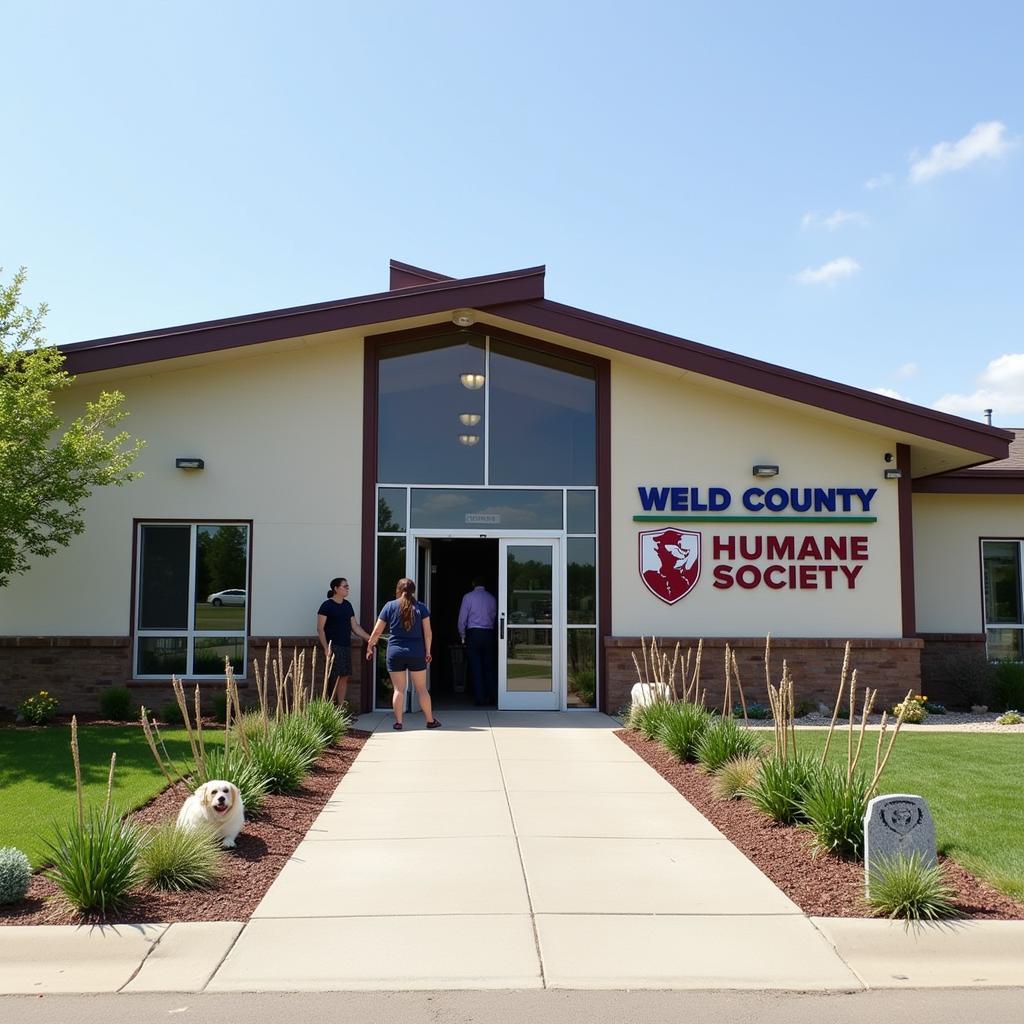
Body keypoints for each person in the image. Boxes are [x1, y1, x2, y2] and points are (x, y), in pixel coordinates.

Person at [365, 577, 440, 731]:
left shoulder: (389, 606)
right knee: (421, 688)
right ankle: (430, 721)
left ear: (398, 590)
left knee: (399, 689)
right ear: (414, 591)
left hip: (395, 653)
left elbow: (377, 630)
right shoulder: (421, 608)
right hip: (416, 652)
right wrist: (428, 651)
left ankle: (399, 722)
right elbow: (428, 633)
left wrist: (370, 646)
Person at [317, 577, 372, 709]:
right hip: (333, 647)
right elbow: (320, 628)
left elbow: (355, 626)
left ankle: (340, 709)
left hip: (345, 646)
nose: (347, 588)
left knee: (344, 677)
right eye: (344, 586)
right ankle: (330, 709)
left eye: (348, 586)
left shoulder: (347, 605)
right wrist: (326, 648)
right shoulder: (326, 606)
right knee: (333, 678)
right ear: (335, 589)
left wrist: (370, 638)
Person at [458, 575, 497, 705]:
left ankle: (480, 698)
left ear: (473, 583)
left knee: (476, 666)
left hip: (474, 633)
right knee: (489, 666)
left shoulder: (468, 597)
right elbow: (494, 616)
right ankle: (492, 696)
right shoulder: (491, 598)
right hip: (488, 633)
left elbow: (462, 618)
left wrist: (462, 635)